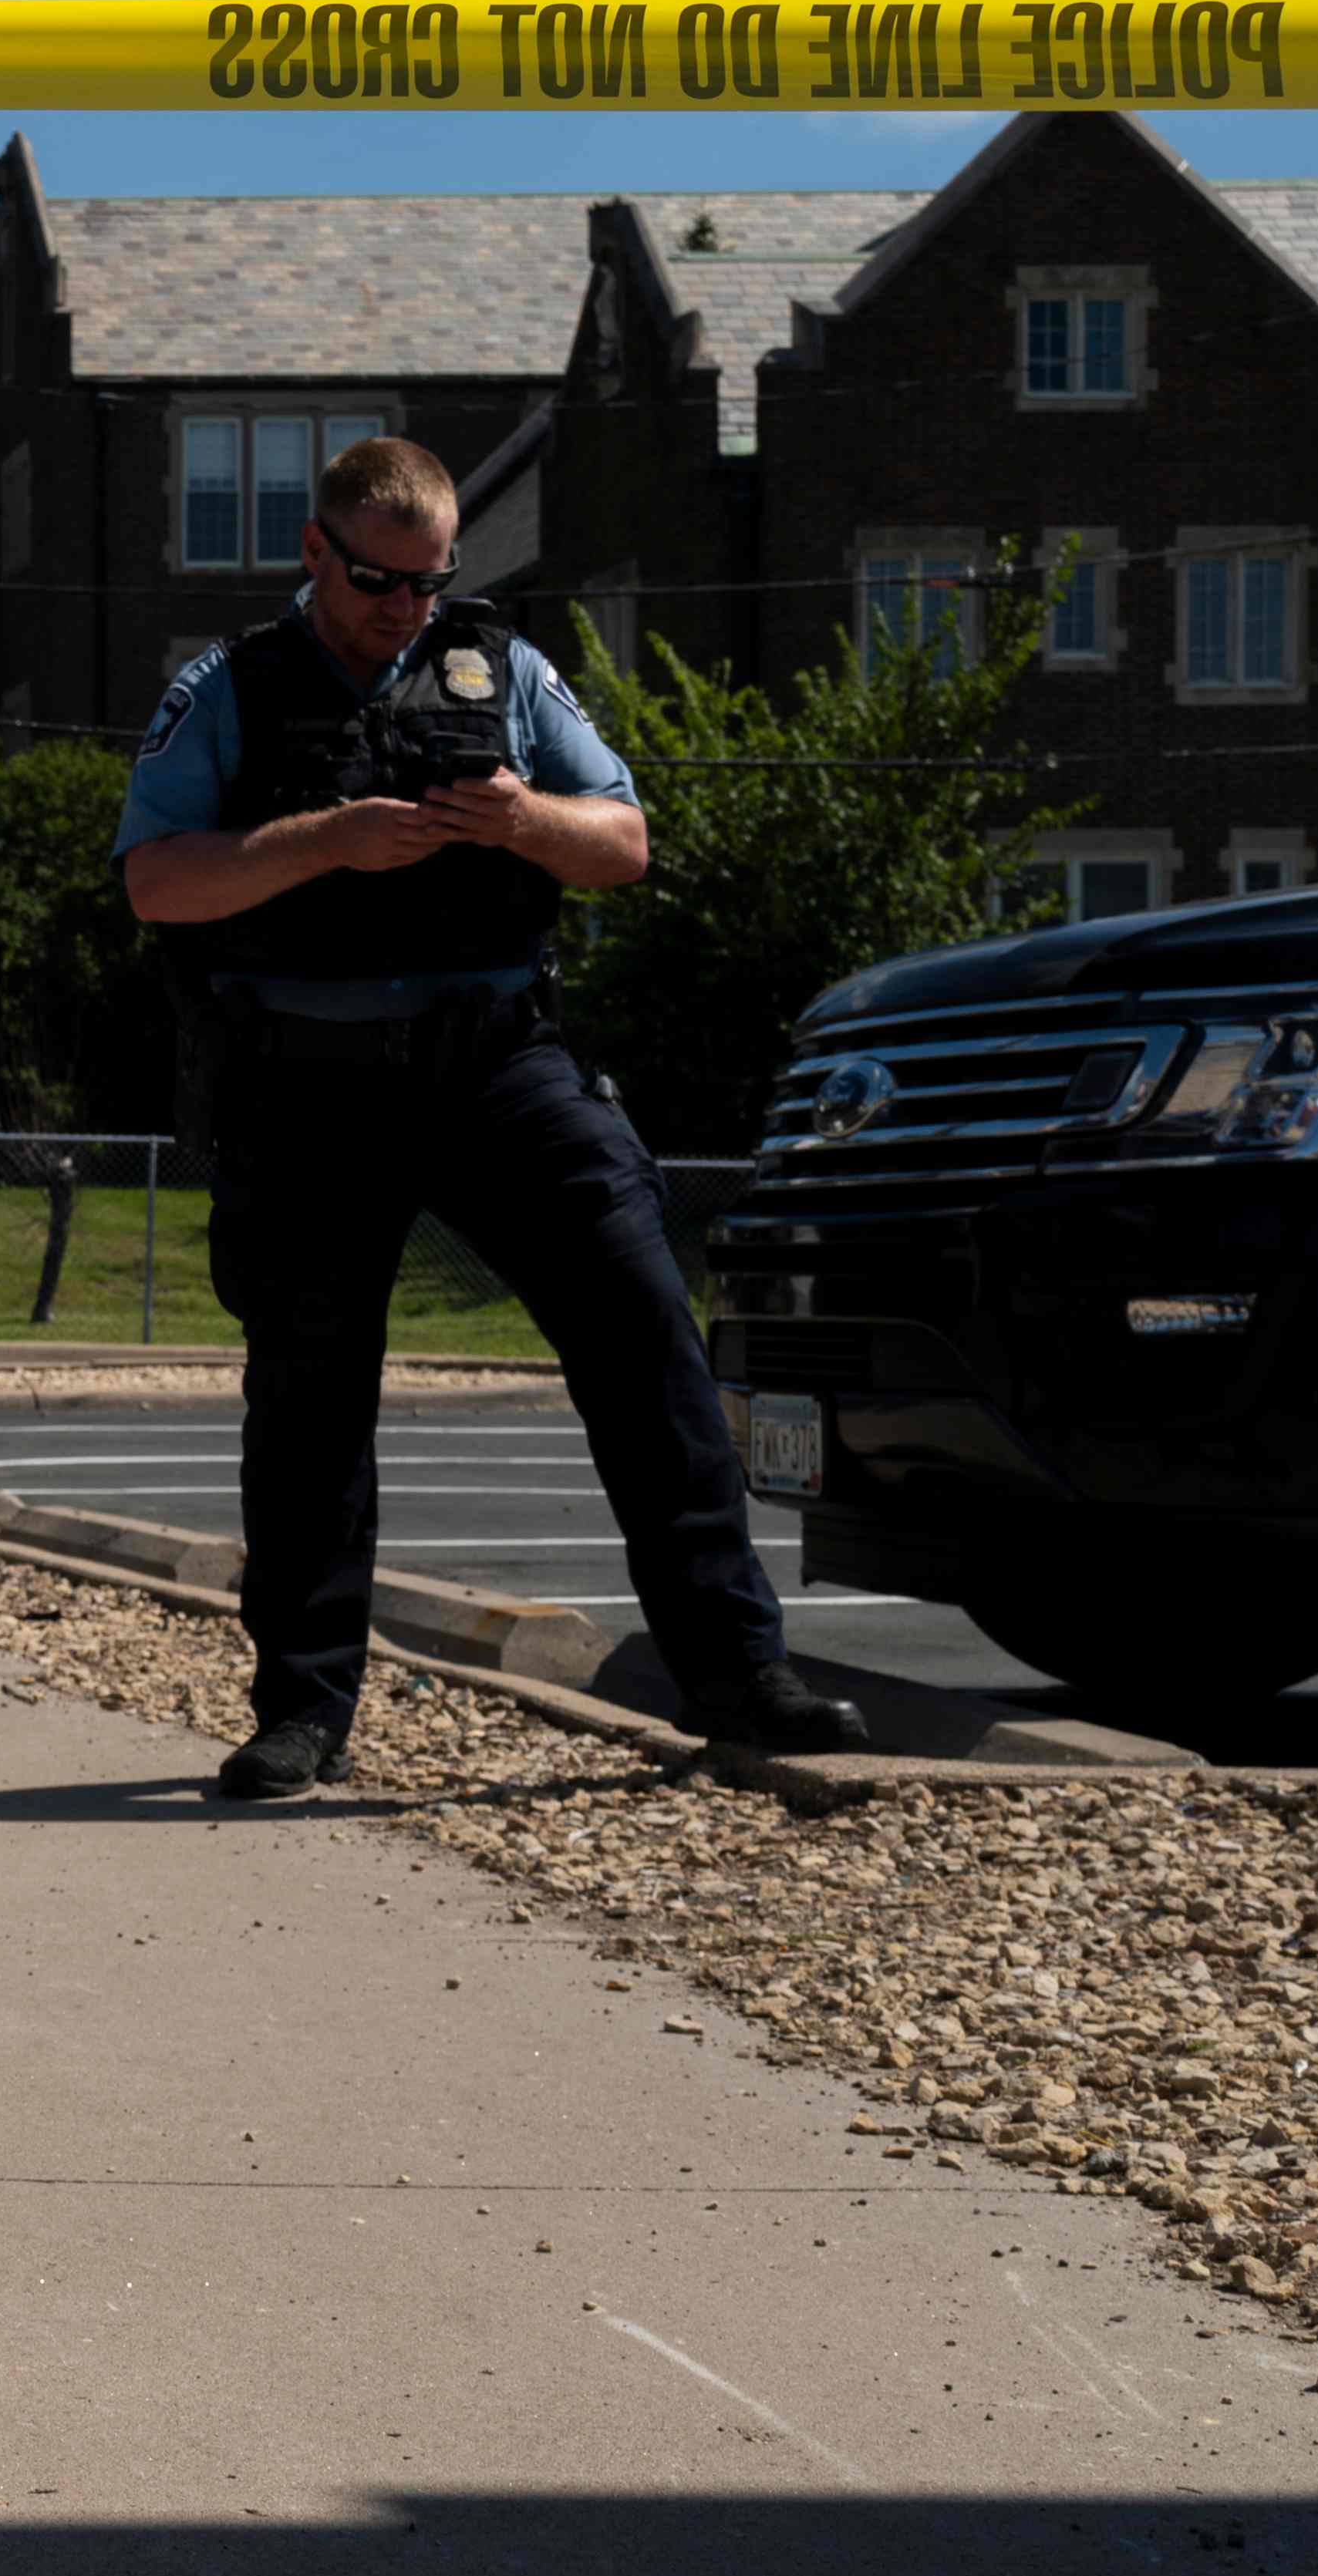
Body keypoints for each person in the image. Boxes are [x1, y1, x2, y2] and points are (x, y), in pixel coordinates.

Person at [118, 435, 868, 1796]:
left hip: (496, 1060)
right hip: (304, 1075)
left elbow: (625, 843)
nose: (403, 605)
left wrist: (523, 817)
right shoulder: (222, 689)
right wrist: (319, 841)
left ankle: (735, 1673)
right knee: (306, 1394)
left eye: (425, 580)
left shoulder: (502, 669)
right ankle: (301, 1711)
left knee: (644, 1329)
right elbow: (155, 882)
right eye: (374, 578)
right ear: (311, 552)